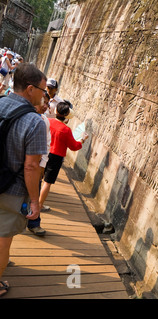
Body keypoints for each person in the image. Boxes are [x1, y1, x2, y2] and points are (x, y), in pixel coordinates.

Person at [0, 63, 48, 297]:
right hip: (12, 189)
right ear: (30, 89)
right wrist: (35, 200)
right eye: (43, 90)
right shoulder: (35, 122)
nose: (44, 95)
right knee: (2, 240)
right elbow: (31, 166)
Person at [39, 102, 89, 211]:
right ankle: (39, 205)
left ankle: (31, 200)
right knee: (47, 182)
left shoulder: (48, 122)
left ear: (56, 111)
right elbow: (74, 146)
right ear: (66, 115)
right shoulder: (66, 130)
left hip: (43, 152)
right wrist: (82, 140)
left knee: (38, 177)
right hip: (56, 157)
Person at [27, 91, 51, 236]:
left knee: (34, 193)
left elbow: (47, 145)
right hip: (18, 163)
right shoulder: (23, 115)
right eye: (44, 102)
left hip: (35, 165)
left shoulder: (44, 121)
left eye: (48, 103)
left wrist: (43, 165)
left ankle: (34, 223)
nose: (46, 106)